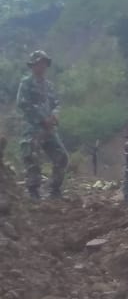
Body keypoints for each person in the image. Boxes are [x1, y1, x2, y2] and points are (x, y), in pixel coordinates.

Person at [16, 50, 68, 200]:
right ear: (33, 65)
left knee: (61, 156)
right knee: (32, 158)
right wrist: (41, 118)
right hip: (33, 128)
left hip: (49, 129)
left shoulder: (49, 85)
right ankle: (34, 191)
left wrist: (55, 115)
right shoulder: (26, 82)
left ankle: (55, 190)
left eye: (44, 63)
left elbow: (56, 103)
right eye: (39, 63)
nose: (42, 66)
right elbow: (22, 103)